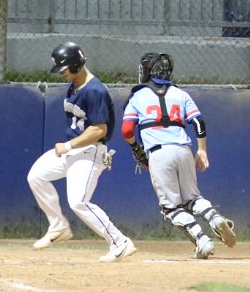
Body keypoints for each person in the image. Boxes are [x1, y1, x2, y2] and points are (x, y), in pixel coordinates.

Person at [27, 42, 137, 262]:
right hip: (74, 150)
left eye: (64, 69)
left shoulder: (95, 90)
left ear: (76, 65)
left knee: (78, 201)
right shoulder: (75, 85)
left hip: (90, 152)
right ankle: (58, 226)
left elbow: (99, 129)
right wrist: (69, 148)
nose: (62, 74)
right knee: (36, 176)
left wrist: (68, 146)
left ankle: (120, 242)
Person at [121, 52, 236, 259]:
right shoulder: (180, 94)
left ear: (147, 72)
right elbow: (198, 121)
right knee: (192, 199)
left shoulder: (137, 96)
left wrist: (136, 148)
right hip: (183, 149)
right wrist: (202, 150)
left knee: (170, 208)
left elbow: (127, 130)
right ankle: (214, 218)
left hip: (159, 153)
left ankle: (202, 241)